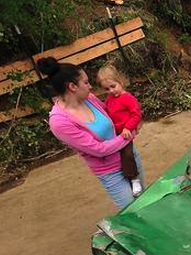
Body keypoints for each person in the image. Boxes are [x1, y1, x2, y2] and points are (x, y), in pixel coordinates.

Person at [37, 57, 143, 210]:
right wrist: (129, 135)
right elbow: (99, 150)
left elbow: (113, 114)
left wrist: (131, 120)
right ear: (72, 86)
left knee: (144, 199)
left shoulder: (89, 99)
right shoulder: (59, 122)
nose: (91, 86)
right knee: (132, 211)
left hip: (129, 156)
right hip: (110, 171)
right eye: (86, 82)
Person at [96, 65, 143, 195]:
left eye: (113, 86)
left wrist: (128, 127)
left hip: (125, 134)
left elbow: (136, 114)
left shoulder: (127, 98)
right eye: (106, 89)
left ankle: (134, 179)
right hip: (114, 134)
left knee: (127, 154)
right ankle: (125, 176)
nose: (111, 90)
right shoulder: (109, 99)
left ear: (120, 82)